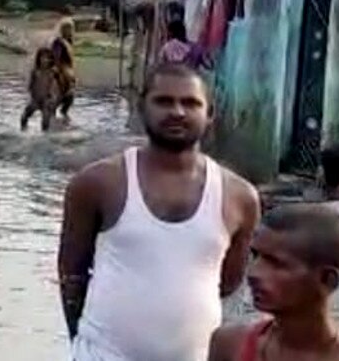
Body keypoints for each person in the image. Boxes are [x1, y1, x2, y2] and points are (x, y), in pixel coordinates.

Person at [58, 63, 260, 361]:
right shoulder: (97, 182)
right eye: (164, 101)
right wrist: (80, 340)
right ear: (142, 108)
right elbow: (71, 273)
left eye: (190, 103)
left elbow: (228, 283)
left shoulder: (240, 197)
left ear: (210, 114)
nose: (177, 111)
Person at [207, 204, 339, 361]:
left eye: (276, 264)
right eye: (256, 256)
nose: (253, 273)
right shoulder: (230, 345)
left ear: (327, 278)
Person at [21, 46, 60, 132]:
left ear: (50, 60)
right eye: (42, 58)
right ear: (38, 59)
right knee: (24, 116)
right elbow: (31, 86)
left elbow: (56, 86)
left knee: (45, 120)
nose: (44, 60)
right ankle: (23, 130)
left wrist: (53, 98)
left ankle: (45, 136)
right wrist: (32, 96)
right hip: (36, 98)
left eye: (47, 58)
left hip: (47, 99)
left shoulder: (52, 72)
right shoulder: (35, 71)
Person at [52, 18, 78, 122]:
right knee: (60, 97)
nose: (69, 31)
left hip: (69, 74)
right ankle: (51, 120)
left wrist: (73, 76)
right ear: (62, 29)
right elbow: (55, 58)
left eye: (71, 28)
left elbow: (70, 61)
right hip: (61, 74)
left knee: (69, 98)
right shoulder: (58, 42)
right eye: (67, 28)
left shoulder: (69, 41)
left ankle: (63, 118)